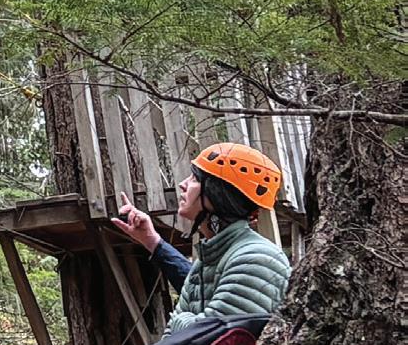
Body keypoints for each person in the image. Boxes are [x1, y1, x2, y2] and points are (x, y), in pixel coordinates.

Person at [110, 142, 293, 332]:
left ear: (218, 194)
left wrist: (180, 320)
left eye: (195, 179)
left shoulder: (257, 258)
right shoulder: (206, 261)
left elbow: (208, 338)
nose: (182, 184)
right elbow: (176, 338)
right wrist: (150, 239)